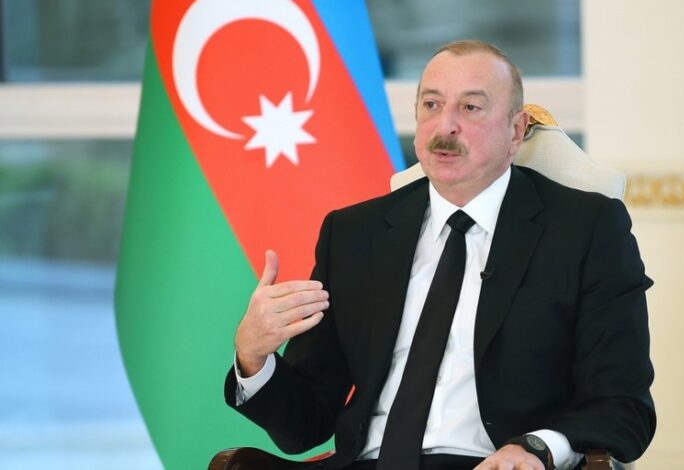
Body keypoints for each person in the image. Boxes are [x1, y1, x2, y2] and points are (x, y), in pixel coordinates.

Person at [226, 40, 655, 470]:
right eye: (431, 104)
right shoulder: (354, 233)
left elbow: (624, 406)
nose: (445, 126)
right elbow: (305, 426)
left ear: (516, 131)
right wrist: (253, 357)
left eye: (471, 108)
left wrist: (537, 448)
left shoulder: (585, 230)